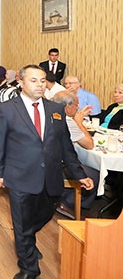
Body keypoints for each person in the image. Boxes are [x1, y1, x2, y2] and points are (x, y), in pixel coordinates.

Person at [0, 65, 94, 279]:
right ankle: (28, 268)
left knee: (43, 215)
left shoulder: (55, 109)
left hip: (50, 177)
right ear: (21, 82)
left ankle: (26, 238)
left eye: (42, 80)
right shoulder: (6, 109)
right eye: (33, 80)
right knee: (21, 223)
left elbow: (65, 146)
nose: (39, 85)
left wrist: (79, 174)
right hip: (19, 175)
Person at [51, 91, 99, 219]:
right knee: (94, 174)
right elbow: (89, 144)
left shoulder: (50, 113)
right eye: (76, 105)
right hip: (57, 166)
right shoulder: (66, 120)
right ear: (67, 106)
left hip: (44, 162)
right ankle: (67, 203)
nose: (78, 108)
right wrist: (79, 122)